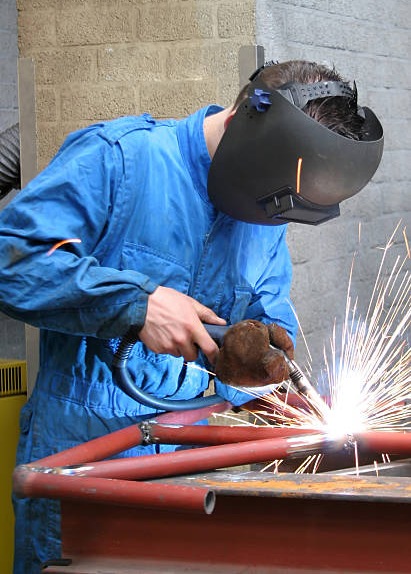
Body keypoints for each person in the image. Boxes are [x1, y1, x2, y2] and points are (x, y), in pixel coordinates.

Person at [0, 60, 383, 572]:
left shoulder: (268, 206)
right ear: (243, 124)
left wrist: (259, 363)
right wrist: (135, 304)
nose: (270, 222)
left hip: (194, 458)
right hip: (84, 451)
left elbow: (268, 308)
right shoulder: (119, 160)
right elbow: (11, 261)